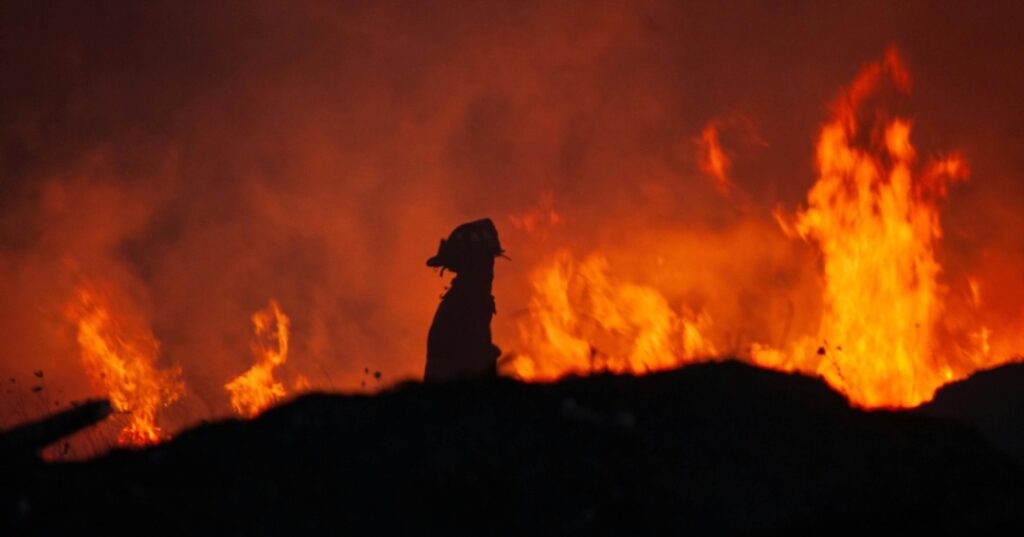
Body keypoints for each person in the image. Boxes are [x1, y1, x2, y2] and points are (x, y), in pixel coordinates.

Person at [424, 218, 504, 381]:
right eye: (485, 260)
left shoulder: (467, 300)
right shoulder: (466, 304)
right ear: (471, 264)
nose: (490, 270)